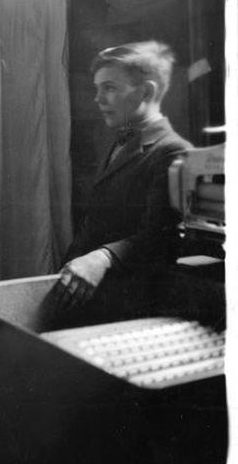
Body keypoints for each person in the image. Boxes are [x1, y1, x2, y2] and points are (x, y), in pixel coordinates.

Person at [51, 41, 192, 315]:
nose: (98, 98)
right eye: (97, 88)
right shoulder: (118, 141)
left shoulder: (172, 151)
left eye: (110, 88)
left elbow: (160, 238)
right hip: (89, 293)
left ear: (147, 92)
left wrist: (102, 257)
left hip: (131, 303)